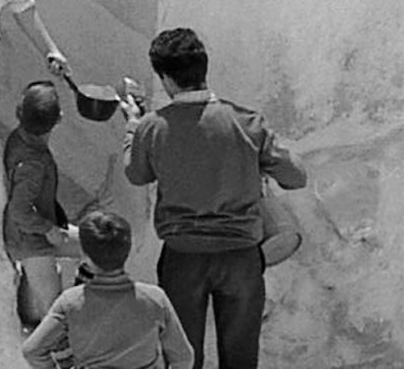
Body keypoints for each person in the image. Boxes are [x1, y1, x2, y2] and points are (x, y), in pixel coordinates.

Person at [122, 28, 308, 369]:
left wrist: (133, 127)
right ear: (203, 68)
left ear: (166, 78)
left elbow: (136, 174)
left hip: (183, 257)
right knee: (240, 360)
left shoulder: (153, 127)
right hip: (240, 258)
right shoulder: (248, 123)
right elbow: (296, 176)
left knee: (184, 358)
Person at [21, 211, 195, 369]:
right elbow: (183, 357)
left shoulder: (70, 302)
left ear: (86, 257)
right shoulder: (155, 298)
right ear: (127, 250)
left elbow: (32, 350)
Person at [3, 81, 83, 330]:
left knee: (94, 245)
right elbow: (19, 210)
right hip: (30, 241)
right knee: (53, 314)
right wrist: (48, 229)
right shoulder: (32, 164)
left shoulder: (20, 138)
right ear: (58, 119)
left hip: (36, 232)